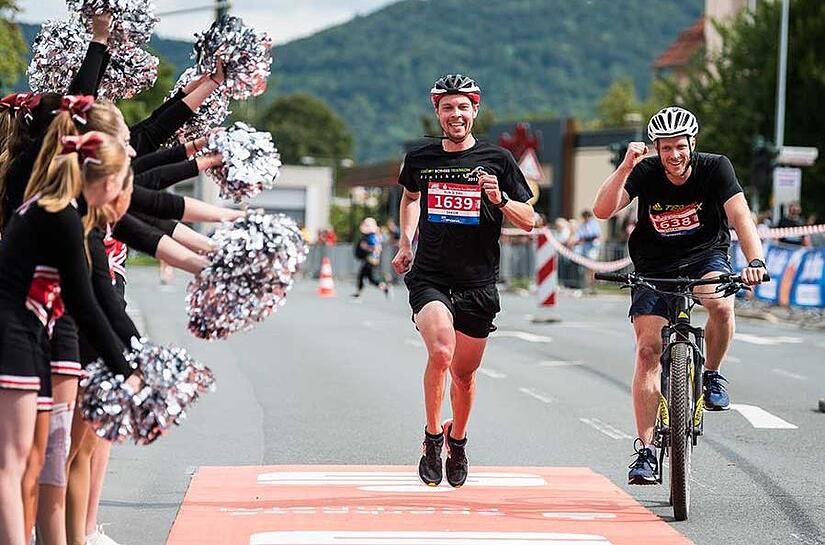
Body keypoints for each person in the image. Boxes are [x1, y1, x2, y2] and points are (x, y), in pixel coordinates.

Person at [592, 106, 767, 485]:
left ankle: (713, 374)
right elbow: (602, 209)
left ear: (693, 143)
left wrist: (754, 260)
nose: (673, 155)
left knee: (719, 301)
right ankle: (646, 451)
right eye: (665, 148)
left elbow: (740, 217)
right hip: (653, 263)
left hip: (705, 256)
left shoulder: (715, 167)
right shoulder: (645, 171)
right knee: (646, 350)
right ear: (656, 148)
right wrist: (626, 165)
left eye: (679, 146)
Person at [392, 74, 534, 487]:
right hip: (431, 275)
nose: (456, 114)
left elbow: (529, 220)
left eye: (463, 107)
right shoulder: (420, 156)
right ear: (438, 112)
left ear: (475, 110)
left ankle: (459, 438)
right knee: (441, 351)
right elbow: (410, 197)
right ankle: (433, 437)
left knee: (465, 374)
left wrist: (499, 198)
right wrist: (406, 242)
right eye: (448, 107)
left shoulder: (498, 160)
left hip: (478, 281)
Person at [352, 217, 389, 299]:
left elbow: (375, 247)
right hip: (370, 260)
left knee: (368, 277)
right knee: (366, 277)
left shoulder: (372, 237)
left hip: (370, 260)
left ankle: (384, 286)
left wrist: (366, 247)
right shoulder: (374, 236)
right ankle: (359, 293)